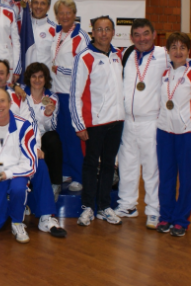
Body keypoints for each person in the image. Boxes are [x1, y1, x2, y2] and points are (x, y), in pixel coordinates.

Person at [115, 18, 191, 229]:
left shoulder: (163, 54)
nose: (141, 38)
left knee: (154, 169)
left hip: (154, 122)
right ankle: (127, 204)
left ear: (154, 35)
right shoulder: (126, 55)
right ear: (132, 37)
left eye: (146, 34)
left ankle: (154, 211)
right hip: (131, 121)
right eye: (137, 35)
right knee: (127, 165)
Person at [0, 88, 65, 243]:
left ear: (10, 103)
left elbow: (29, 164)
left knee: (25, 179)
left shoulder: (24, 126)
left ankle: (20, 221)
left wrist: (0, 175)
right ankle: (8, 207)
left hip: (16, 172)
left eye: (2, 101)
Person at [156, 32, 191, 237]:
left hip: (189, 134)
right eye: (174, 47)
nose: (178, 52)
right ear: (168, 51)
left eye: (182, 48)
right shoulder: (163, 73)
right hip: (164, 133)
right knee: (167, 178)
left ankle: (181, 220)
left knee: (188, 179)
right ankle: (166, 216)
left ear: (189, 51)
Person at [71, 16, 125, 227]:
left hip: (116, 121)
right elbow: (75, 93)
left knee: (109, 165)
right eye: (99, 29)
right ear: (92, 32)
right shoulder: (84, 57)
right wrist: (79, 124)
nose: (103, 33)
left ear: (113, 32)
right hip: (94, 122)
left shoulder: (119, 55)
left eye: (107, 29)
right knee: (91, 164)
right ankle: (87, 207)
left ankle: (104, 207)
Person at [50, 0, 90, 192]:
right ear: (57, 15)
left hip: (73, 93)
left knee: (75, 137)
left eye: (68, 13)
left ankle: (80, 176)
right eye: (61, 13)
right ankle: (66, 170)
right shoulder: (57, 34)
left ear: (74, 14)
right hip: (57, 93)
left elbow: (85, 66)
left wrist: (61, 70)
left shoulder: (81, 36)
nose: (64, 16)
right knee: (62, 135)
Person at [21, 63, 62, 200]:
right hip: (25, 139)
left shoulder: (52, 98)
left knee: (53, 138)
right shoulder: (20, 95)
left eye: (40, 77)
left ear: (45, 79)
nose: (37, 80)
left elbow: (51, 127)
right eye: (34, 77)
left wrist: (48, 114)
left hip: (43, 137)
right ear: (28, 78)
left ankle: (55, 184)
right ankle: (26, 187)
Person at [26, 0, 58, 70]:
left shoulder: (55, 30)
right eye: (35, 2)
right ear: (31, 4)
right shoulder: (23, 26)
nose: (38, 6)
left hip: (45, 79)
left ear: (48, 7)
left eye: (43, 3)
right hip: (25, 78)